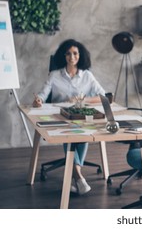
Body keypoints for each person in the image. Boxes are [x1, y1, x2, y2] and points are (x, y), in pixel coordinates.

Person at [33, 39, 105, 195]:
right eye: (68, 54)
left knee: (85, 132)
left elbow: (104, 96)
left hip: (81, 116)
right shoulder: (54, 75)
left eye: (75, 53)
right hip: (61, 117)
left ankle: (75, 177)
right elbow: (42, 95)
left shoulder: (87, 76)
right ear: (63, 56)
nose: (72, 57)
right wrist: (38, 100)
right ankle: (78, 176)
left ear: (80, 55)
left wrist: (83, 100)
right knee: (70, 135)